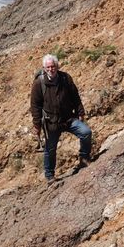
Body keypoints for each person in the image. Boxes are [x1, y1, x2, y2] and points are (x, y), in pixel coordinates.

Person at [30, 54, 92, 183]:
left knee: (86, 132)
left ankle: (84, 158)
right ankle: (49, 175)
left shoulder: (65, 78)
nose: (51, 69)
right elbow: (35, 106)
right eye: (48, 67)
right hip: (51, 122)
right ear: (44, 68)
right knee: (50, 149)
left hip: (68, 118)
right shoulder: (39, 83)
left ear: (57, 66)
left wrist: (80, 111)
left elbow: (75, 96)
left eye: (53, 66)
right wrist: (37, 125)